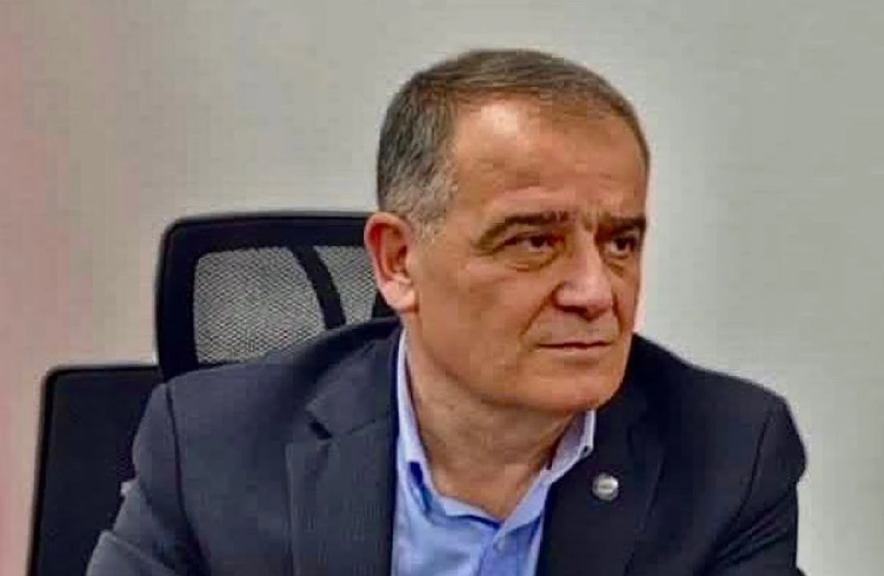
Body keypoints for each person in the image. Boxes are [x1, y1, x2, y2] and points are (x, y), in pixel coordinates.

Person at [87, 49, 806, 576]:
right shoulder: (212, 445)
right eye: (535, 242)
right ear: (399, 261)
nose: (595, 292)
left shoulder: (727, 457)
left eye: (621, 243)